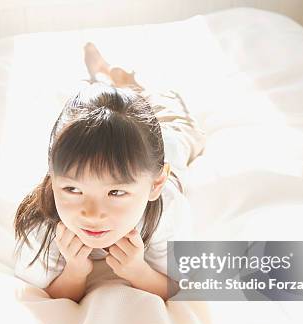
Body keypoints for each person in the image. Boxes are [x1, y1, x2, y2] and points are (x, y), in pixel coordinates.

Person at [12, 42, 206, 302]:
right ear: (52, 178)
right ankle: (105, 78)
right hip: (123, 140)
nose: (92, 214)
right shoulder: (42, 222)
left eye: (116, 191)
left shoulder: (167, 209)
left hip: (167, 143)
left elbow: (183, 286)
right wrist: (75, 272)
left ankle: (125, 82)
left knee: (180, 125)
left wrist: (139, 272)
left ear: (155, 184)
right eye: (72, 189)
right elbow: (41, 293)